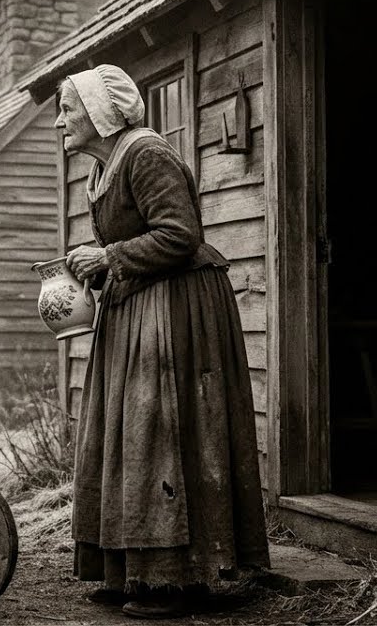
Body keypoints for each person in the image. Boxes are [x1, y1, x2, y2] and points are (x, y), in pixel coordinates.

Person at [56, 64, 269, 619]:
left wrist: (108, 257)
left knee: (161, 431)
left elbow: (180, 235)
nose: (60, 122)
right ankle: (131, 570)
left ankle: (179, 582)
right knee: (124, 434)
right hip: (135, 307)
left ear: (101, 113)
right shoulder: (100, 171)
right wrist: (94, 267)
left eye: (68, 110)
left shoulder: (147, 154)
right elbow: (136, 239)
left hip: (178, 310)